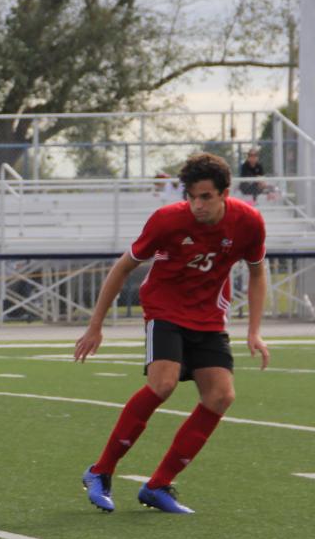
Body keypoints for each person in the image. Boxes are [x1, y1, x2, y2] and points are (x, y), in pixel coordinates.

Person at [75, 153, 268, 515]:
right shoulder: (167, 220)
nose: (197, 204)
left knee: (220, 397)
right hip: (164, 310)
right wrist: (95, 325)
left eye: (206, 196)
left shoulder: (249, 222)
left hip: (209, 318)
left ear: (225, 193)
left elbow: (257, 273)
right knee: (161, 384)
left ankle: (158, 485)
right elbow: (122, 268)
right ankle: (100, 471)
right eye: (192, 196)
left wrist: (254, 331)